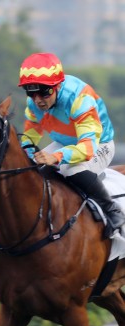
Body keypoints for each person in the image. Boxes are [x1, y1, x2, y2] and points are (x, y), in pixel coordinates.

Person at [19, 52, 125, 238]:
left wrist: (55, 157)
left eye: (44, 92)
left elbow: (87, 148)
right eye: (31, 92)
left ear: (57, 86)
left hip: (98, 144)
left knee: (69, 169)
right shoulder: (33, 103)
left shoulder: (79, 99)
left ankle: (112, 210)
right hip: (64, 142)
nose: (38, 100)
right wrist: (27, 156)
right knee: (35, 170)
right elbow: (29, 137)